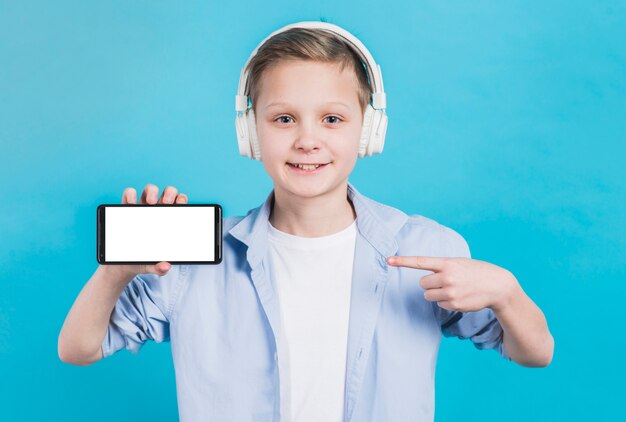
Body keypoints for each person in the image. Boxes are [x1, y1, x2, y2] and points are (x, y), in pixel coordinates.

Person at [58, 21, 554, 422]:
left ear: (370, 130)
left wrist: (507, 293)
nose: (307, 140)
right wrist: (115, 272)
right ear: (249, 132)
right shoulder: (193, 263)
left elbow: (535, 353)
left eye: (332, 119)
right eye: (284, 118)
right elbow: (78, 349)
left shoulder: (426, 247)